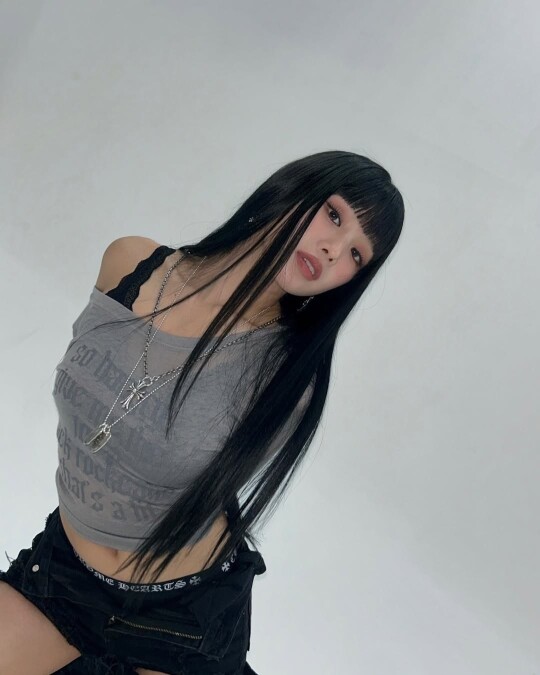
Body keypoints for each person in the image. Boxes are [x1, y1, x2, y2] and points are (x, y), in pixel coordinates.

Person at [0, 149, 404, 674]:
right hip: (62, 574)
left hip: (178, 621)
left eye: (356, 255)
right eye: (334, 214)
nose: (333, 250)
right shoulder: (130, 263)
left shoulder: (284, 378)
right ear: (293, 187)